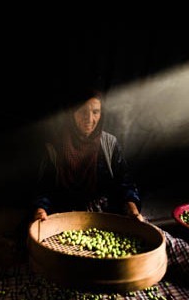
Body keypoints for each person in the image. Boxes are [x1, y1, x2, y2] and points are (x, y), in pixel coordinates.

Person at [31, 87, 144, 222]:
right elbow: (44, 189)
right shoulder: (55, 148)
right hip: (63, 214)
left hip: (103, 214)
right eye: (82, 111)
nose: (89, 119)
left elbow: (125, 184)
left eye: (95, 112)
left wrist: (133, 210)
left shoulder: (109, 144)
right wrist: (41, 210)